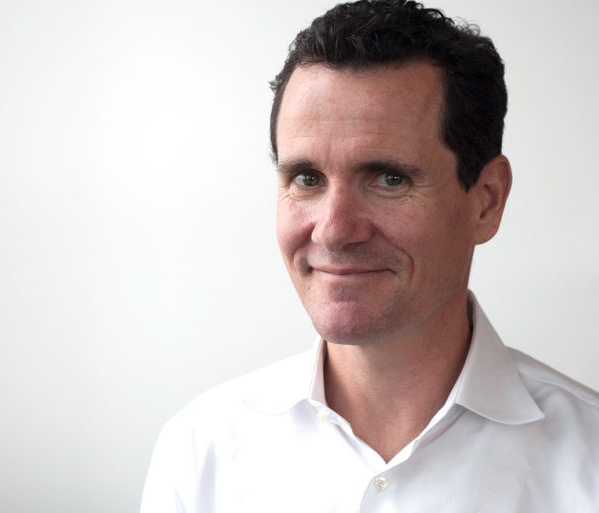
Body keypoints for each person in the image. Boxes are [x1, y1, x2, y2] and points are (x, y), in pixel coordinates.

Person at [140, 1, 599, 511]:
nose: (334, 231)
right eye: (307, 178)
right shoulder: (202, 451)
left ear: (487, 200)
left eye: (389, 179)